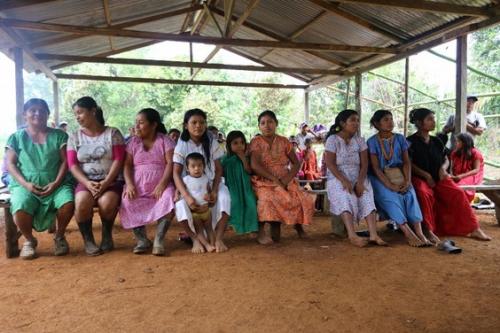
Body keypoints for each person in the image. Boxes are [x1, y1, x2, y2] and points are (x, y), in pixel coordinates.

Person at [407, 108, 491, 241]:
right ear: (418, 122)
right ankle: (428, 230)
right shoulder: (409, 141)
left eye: (433, 119)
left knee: (457, 193)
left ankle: (474, 229)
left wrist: (443, 169)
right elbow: (409, 163)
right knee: (424, 193)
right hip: (419, 178)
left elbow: (446, 158)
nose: (433, 122)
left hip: (439, 177)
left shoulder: (436, 141)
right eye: (429, 119)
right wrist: (426, 176)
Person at [5, 98, 74, 259]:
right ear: (24, 115)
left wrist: (56, 183)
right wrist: (26, 184)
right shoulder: (16, 137)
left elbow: (66, 161)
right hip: (25, 184)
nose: (38, 113)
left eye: (42, 110)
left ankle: (60, 236)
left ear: (47, 114)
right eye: (33, 110)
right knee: (20, 205)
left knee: (68, 202)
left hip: (57, 182)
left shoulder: (59, 136)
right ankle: (29, 240)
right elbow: (11, 164)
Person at [67, 96, 126, 256]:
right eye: (75, 114)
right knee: (81, 202)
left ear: (93, 111)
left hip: (111, 181)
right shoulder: (74, 137)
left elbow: (119, 160)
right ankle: (88, 240)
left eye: (80, 112)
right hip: (86, 182)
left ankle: (107, 235)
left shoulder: (112, 133)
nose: (77, 117)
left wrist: (106, 182)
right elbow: (72, 164)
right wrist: (87, 183)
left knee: (107, 203)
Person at [249, 110, 315, 244]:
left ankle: (299, 227)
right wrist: (273, 179)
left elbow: (296, 163)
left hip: (285, 179)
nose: (267, 126)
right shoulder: (256, 142)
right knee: (266, 199)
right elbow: (255, 165)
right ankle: (261, 232)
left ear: (276, 124)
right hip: (263, 181)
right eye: (263, 123)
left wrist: (286, 179)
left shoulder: (284, 141)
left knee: (299, 197)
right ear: (259, 126)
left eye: (270, 122)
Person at [367, 110, 431, 247]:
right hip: (380, 178)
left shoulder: (400, 138)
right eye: (385, 120)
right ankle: (408, 232)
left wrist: (407, 181)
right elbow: (376, 168)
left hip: (399, 175)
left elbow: (406, 162)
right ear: (377, 124)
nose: (390, 122)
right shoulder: (372, 141)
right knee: (391, 196)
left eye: (391, 119)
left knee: (410, 193)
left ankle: (419, 232)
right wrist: (389, 185)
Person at [324, 109, 386, 247]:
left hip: (358, 176)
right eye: (352, 120)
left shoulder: (359, 140)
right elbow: (330, 164)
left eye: (357, 120)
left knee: (367, 195)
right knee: (346, 195)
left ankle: (373, 235)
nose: (356, 123)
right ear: (342, 123)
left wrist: (360, 182)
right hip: (337, 177)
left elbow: (365, 164)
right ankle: (352, 235)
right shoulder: (333, 140)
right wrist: (344, 180)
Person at [173, 109, 231, 253]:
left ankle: (218, 239)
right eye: (194, 122)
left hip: (211, 183)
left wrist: (215, 191)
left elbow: (218, 170)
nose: (198, 126)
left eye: (201, 122)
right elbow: (176, 173)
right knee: (180, 204)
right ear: (186, 125)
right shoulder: (182, 143)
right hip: (189, 186)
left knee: (225, 197)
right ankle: (195, 240)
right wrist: (186, 195)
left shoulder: (211, 141)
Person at [120, 108, 176, 256]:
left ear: (153, 125)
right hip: (138, 185)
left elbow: (171, 163)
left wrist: (163, 184)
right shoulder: (133, 143)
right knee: (127, 200)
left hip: (161, 184)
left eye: (141, 123)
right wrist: (130, 184)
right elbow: (126, 165)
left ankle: (159, 240)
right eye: (136, 123)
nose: (137, 126)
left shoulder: (165, 141)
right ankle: (142, 240)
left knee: (169, 198)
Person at [220, 131, 258, 234]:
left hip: (245, 187)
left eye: (242, 143)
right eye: (235, 143)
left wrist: (243, 159)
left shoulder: (247, 158)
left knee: (251, 204)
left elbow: (249, 171)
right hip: (232, 187)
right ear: (229, 145)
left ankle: (252, 228)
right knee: (235, 204)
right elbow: (221, 173)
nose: (239, 146)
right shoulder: (224, 159)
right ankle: (235, 225)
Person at [180, 152, 215, 252]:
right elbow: (179, 190)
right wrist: (176, 196)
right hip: (195, 213)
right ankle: (207, 245)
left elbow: (208, 190)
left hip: (206, 210)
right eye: (193, 166)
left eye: (200, 165)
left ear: (204, 166)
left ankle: (212, 244)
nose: (196, 168)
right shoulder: (186, 180)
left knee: (209, 229)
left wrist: (209, 196)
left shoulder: (205, 178)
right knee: (199, 230)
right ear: (187, 168)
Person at [450, 132, 484, 202]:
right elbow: (452, 168)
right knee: (447, 185)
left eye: (459, 141)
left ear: (465, 143)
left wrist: (461, 176)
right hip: (459, 176)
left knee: (460, 186)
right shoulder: (455, 153)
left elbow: (476, 170)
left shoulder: (475, 153)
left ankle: (464, 204)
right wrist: (452, 176)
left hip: (473, 176)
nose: (456, 143)